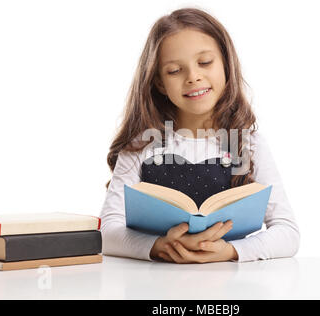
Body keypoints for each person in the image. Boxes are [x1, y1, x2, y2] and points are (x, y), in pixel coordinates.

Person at [99, 7, 300, 263]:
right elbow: (107, 232)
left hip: (229, 289)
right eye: (174, 71)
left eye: (205, 62)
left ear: (226, 64)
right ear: (159, 82)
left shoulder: (249, 145)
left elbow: (287, 232)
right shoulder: (141, 145)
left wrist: (231, 251)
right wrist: (158, 246)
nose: (193, 77)